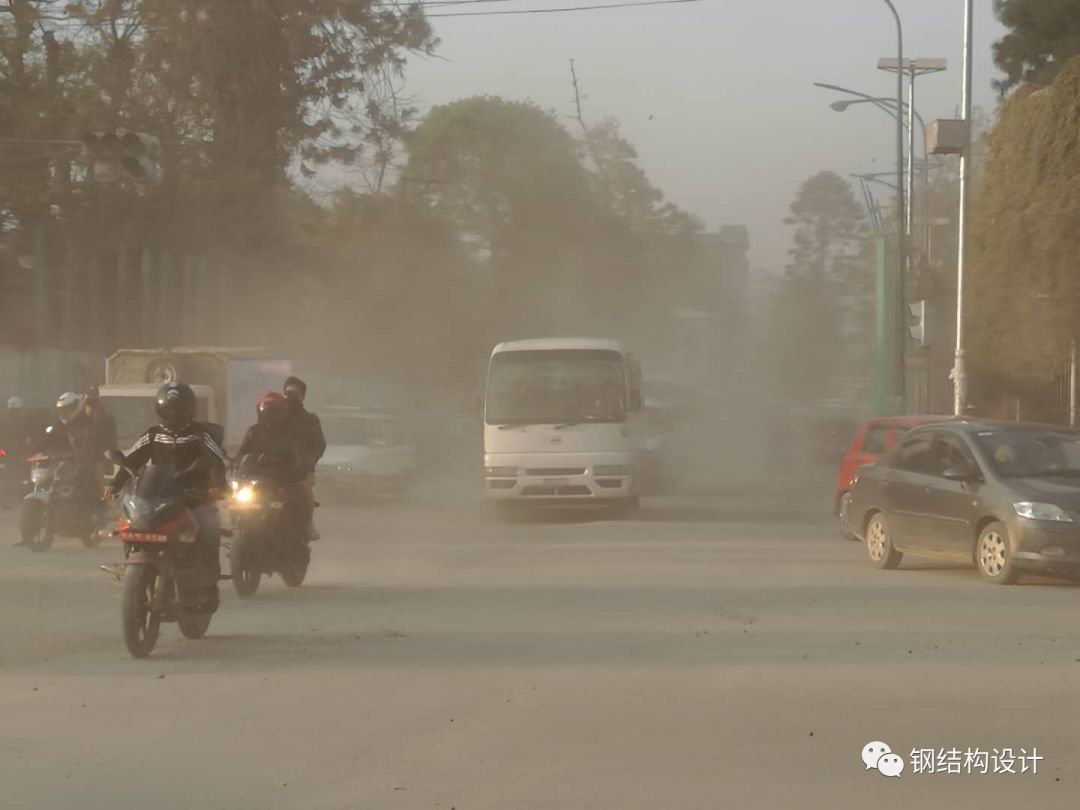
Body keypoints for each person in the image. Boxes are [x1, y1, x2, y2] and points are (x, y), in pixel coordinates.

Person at [109, 382, 227, 613]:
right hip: (159, 496)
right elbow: (132, 460)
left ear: (189, 409)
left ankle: (209, 584)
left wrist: (218, 486)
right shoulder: (152, 435)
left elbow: (215, 460)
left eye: (178, 409)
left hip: (193, 497)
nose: (173, 414)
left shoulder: (200, 435)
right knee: (133, 524)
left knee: (208, 525)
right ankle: (132, 567)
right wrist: (115, 484)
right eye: (169, 409)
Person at [236, 392, 309, 535]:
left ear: (282, 413)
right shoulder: (254, 431)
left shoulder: (292, 432)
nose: (269, 416)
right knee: (237, 502)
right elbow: (242, 453)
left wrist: (300, 466)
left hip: (284, 478)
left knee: (300, 497)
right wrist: (232, 465)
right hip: (257, 480)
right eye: (266, 412)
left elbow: (300, 455)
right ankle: (240, 531)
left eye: (273, 412)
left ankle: (303, 530)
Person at [283, 376, 325, 541]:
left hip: (300, 470)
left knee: (306, 490)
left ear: (302, 396)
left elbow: (319, 445)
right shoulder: (273, 416)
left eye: (295, 393)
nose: (291, 397)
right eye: (288, 393)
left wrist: (307, 462)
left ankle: (308, 524)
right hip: (272, 469)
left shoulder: (310, 420)